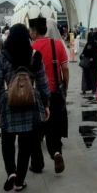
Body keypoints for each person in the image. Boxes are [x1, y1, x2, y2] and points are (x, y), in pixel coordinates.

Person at [0, 24, 50, 192]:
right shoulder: (35, 55)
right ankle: (19, 181)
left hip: (9, 103)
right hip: (30, 103)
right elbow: (43, 83)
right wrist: (46, 104)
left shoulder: (3, 56)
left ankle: (11, 173)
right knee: (25, 143)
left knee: (7, 140)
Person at [29, 17, 69, 174]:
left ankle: (37, 164)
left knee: (36, 130)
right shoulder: (57, 44)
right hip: (55, 93)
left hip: (37, 94)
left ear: (34, 32)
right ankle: (56, 153)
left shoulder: (32, 47)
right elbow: (65, 68)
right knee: (54, 127)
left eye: (30, 31)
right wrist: (65, 86)